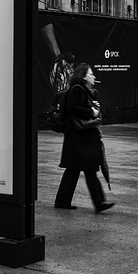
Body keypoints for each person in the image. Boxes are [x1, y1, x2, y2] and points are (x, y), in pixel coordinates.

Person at [54, 63, 114, 213]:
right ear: (84, 77)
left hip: (78, 138)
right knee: (88, 169)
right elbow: (74, 108)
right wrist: (92, 112)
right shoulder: (77, 90)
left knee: (74, 170)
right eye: (91, 74)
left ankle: (63, 201)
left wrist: (92, 105)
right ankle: (99, 203)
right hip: (79, 139)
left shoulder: (82, 90)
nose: (94, 77)